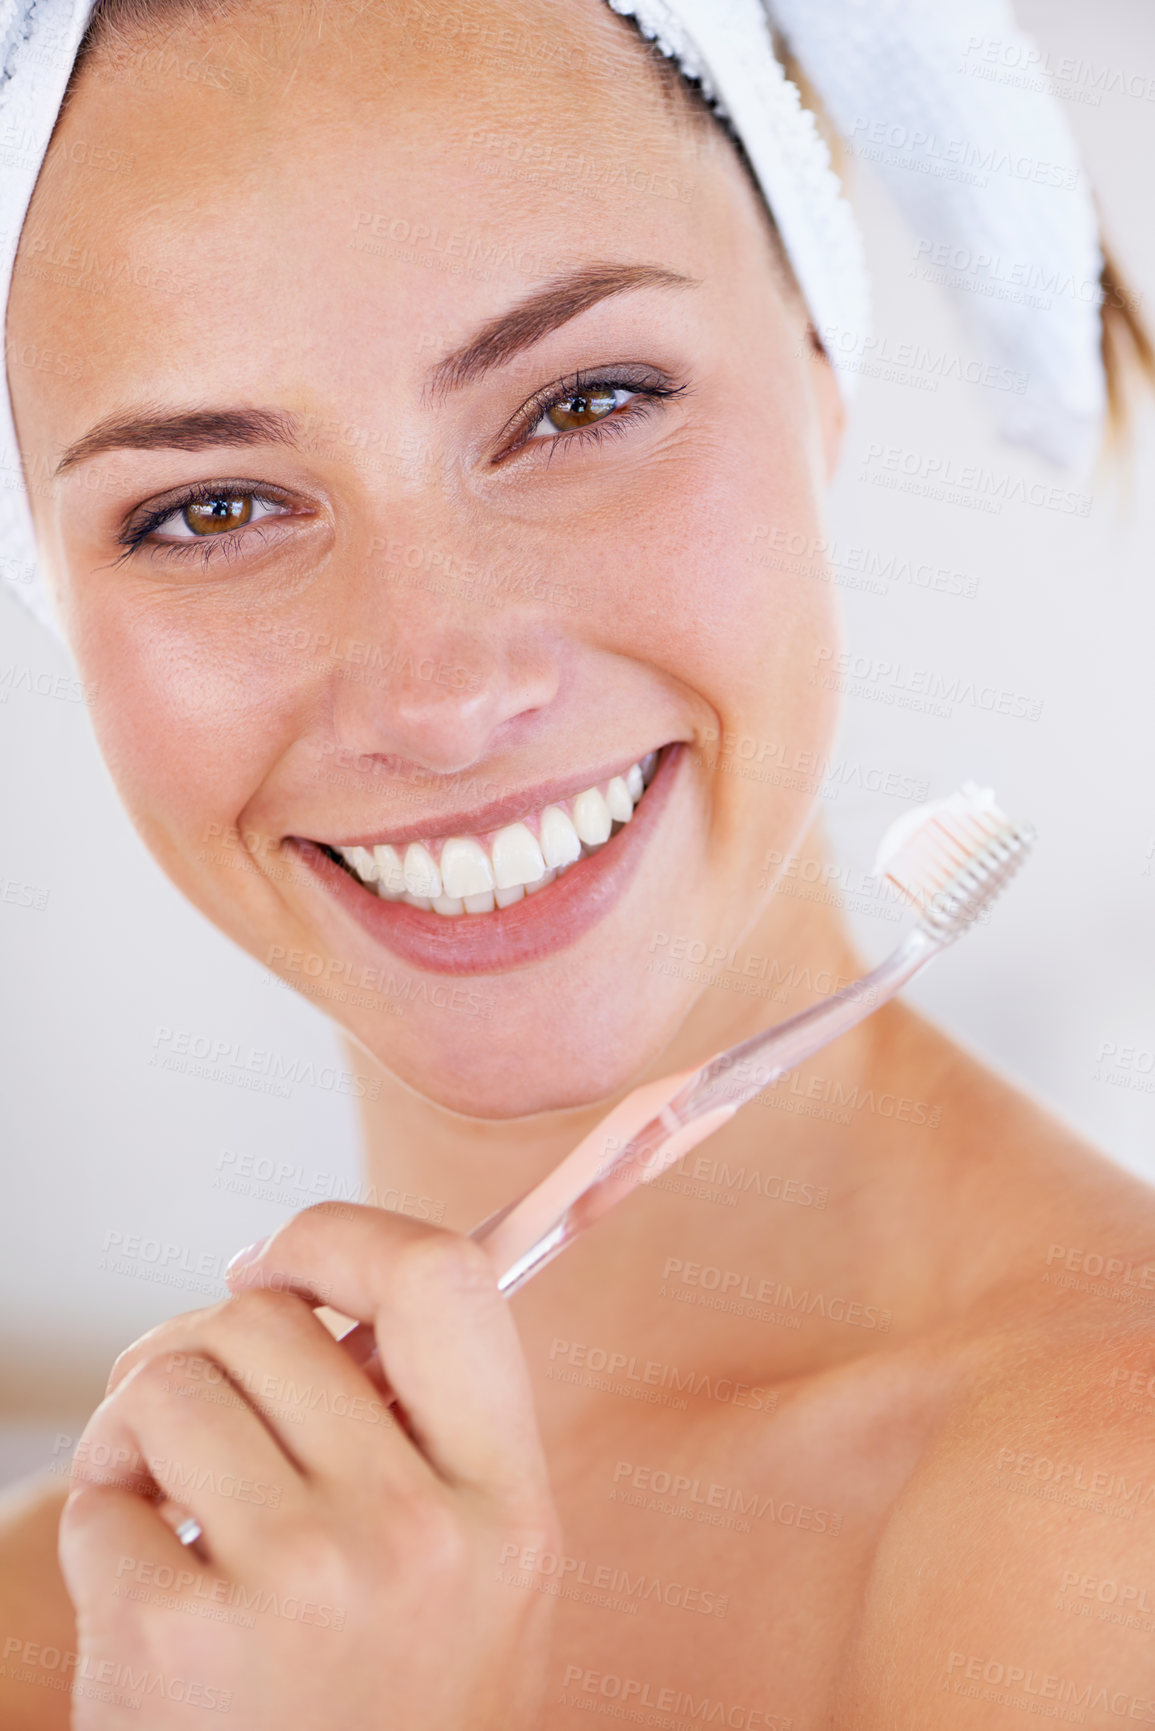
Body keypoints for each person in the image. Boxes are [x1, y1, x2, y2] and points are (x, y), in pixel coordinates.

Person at [1, 0, 1153, 1725]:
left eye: (582, 402)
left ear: (820, 376)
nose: (439, 694)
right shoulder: (75, 1622)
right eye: (208, 509)